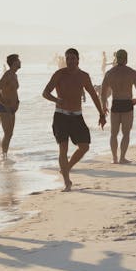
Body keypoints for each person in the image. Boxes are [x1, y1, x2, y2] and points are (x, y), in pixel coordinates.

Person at [42, 48, 106, 191]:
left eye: (73, 58)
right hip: (61, 116)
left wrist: (101, 114)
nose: (70, 61)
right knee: (63, 149)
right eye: (68, 58)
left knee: (85, 146)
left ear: (78, 60)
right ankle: (67, 181)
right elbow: (45, 92)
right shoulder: (59, 74)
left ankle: (67, 167)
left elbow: (93, 96)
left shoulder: (84, 76)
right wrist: (55, 99)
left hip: (77, 116)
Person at [101, 49, 136, 164]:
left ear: (116, 59)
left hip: (116, 103)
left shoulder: (109, 73)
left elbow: (103, 92)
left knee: (113, 133)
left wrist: (103, 106)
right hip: (127, 104)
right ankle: (122, 157)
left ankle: (114, 158)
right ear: (126, 59)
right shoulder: (132, 72)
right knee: (126, 133)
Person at [0, 53, 21, 159]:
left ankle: (5, 154)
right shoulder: (8, 74)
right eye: (18, 60)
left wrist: (17, 101)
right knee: (8, 133)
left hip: (12, 108)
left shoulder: (14, 75)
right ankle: (3, 156)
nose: (20, 62)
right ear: (14, 63)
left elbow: (12, 91)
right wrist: (5, 103)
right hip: (4, 108)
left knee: (10, 133)